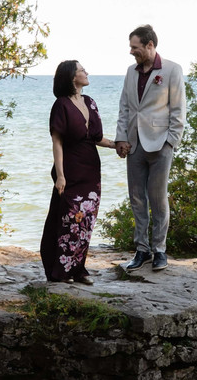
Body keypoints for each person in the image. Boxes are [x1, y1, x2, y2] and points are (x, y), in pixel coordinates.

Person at [114, 24, 186, 273]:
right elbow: (125, 107)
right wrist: (120, 138)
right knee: (136, 199)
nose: (131, 51)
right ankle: (141, 249)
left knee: (158, 199)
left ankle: (160, 250)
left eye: (135, 47)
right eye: (131, 47)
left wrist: (170, 143)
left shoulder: (172, 70)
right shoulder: (130, 72)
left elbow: (178, 111)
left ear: (150, 45)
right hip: (134, 144)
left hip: (160, 145)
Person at [40, 60, 118, 284]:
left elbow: (96, 138)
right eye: (82, 70)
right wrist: (61, 175)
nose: (87, 72)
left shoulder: (90, 102)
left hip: (91, 171)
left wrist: (117, 145)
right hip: (70, 171)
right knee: (68, 220)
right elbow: (57, 143)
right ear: (72, 77)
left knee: (85, 223)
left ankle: (79, 270)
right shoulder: (61, 105)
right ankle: (61, 272)